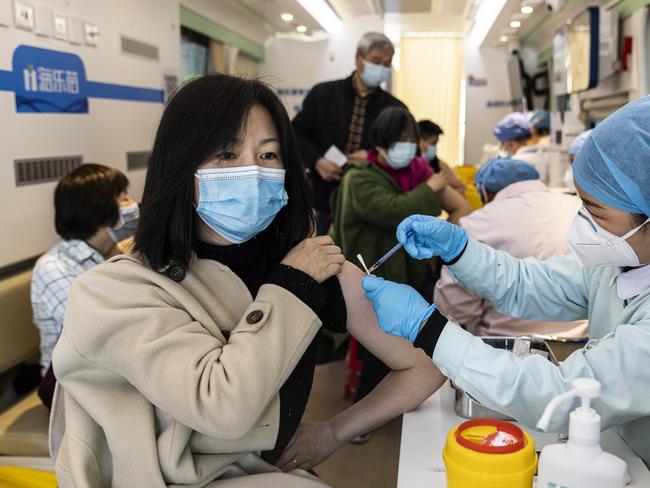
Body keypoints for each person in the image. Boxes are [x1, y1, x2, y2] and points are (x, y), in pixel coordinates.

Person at [50, 74, 445, 488]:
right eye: (225, 153)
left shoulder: (311, 266)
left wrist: (334, 431)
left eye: (270, 155)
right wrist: (292, 287)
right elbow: (221, 408)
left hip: (264, 474)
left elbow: (426, 364)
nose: (252, 172)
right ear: (180, 167)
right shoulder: (115, 289)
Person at [362, 95, 650, 465]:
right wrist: (460, 249)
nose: (581, 223)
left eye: (595, 212)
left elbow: (560, 394)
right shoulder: (617, 263)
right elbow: (531, 283)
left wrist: (428, 329)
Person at [329, 106, 469, 415]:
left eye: (411, 139)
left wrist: (443, 247)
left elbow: (459, 206)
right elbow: (392, 210)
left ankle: (402, 399)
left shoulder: (418, 169)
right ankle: (365, 411)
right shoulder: (359, 179)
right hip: (371, 277)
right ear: (379, 143)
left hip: (411, 272)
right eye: (398, 140)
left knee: (411, 345)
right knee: (380, 348)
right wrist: (430, 189)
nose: (407, 147)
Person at [434, 157, 587, 337]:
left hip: (504, 344)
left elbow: (456, 307)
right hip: (582, 342)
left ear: (484, 192)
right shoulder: (580, 209)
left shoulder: (478, 223)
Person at [292, 32, 405, 235]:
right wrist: (317, 162)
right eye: (376, 61)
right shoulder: (323, 94)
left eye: (387, 64)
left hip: (369, 202)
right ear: (358, 59)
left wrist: (373, 158)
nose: (381, 68)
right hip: (321, 197)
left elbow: (402, 153)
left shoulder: (395, 108)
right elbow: (296, 133)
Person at [31, 163, 137, 375]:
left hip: (117, 362)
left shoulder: (120, 251)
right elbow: (98, 331)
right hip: (70, 377)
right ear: (99, 210)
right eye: (124, 199)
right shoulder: (53, 268)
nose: (134, 205)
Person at [493, 111, 549, 183]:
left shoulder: (513, 165)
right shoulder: (550, 154)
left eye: (505, 147)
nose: (506, 151)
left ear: (510, 144)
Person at [418, 119, 466, 194]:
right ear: (420, 141)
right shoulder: (411, 167)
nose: (435, 147)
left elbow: (461, 187)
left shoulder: (438, 164)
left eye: (436, 144)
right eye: (433, 143)